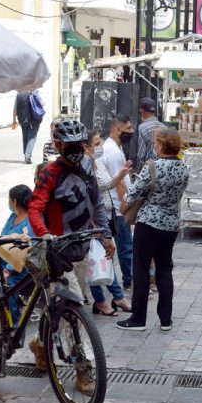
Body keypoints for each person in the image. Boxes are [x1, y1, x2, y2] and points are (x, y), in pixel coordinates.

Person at [28, 119, 115, 386]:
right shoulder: (49, 173)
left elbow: (96, 202)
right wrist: (45, 234)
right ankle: (83, 371)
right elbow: (35, 208)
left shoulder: (88, 166)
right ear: (58, 145)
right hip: (57, 253)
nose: (75, 149)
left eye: (79, 144)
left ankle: (40, 344)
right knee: (74, 313)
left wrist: (105, 233)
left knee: (62, 307)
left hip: (83, 248)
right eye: (69, 145)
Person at [117, 128, 189, 331]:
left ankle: (138, 318)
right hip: (171, 224)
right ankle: (166, 319)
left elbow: (134, 193)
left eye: (156, 143)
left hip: (148, 223)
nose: (154, 146)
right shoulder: (183, 168)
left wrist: (124, 202)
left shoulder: (153, 167)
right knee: (165, 269)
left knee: (141, 269)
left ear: (162, 145)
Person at [85, 131, 133, 316]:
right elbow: (101, 186)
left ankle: (110, 298)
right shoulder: (86, 164)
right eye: (96, 143)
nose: (100, 147)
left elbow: (107, 183)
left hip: (105, 215)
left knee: (104, 257)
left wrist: (120, 175)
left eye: (100, 142)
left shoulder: (98, 161)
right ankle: (109, 299)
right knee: (97, 259)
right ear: (86, 146)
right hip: (93, 221)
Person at [0, 184, 35, 319]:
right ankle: (2, 309)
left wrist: (7, 270)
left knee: (4, 280)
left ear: (15, 201)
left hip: (22, 266)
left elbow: (26, 252)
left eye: (9, 199)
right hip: (6, 259)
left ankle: (12, 317)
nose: (8, 202)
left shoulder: (30, 221)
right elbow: (1, 239)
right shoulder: (12, 217)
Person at [101, 114, 136, 291]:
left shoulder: (114, 148)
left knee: (125, 245)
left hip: (118, 206)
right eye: (128, 128)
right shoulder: (113, 152)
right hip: (118, 207)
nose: (131, 132)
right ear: (117, 130)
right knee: (125, 246)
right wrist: (126, 206)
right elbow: (119, 182)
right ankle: (129, 281)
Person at [12, 90, 43, 164]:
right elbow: (42, 103)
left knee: (25, 138)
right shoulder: (35, 92)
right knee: (32, 138)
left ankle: (26, 155)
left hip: (23, 120)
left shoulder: (19, 94)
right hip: (34, 119)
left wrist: (14, 121)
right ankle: (28, 156)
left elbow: (15, 109)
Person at [136, 97, 165, 173]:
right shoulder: (164, 127)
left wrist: (138, 173)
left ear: (141, 110)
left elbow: (141, 156)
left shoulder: (142, 128)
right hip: (164, 169)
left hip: (149, 171)